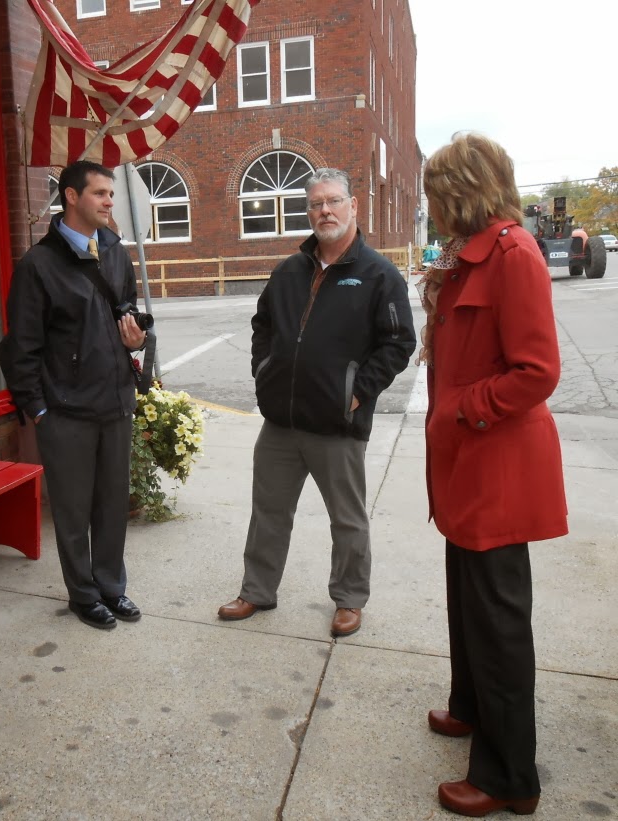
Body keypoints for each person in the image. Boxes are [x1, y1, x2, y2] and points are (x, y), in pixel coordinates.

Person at [419, 133, 567, 817]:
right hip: (468, 462)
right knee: (469, 600)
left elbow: (538, 371)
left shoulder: (514, 254)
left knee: (500, 620)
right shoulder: (468, 255)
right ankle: (471, 706)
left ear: (460, 190)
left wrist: (462, 411)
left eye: (434, 193)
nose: (429, 206)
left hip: (496, 465)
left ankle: (511, 776)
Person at [217, 167, 415, 637]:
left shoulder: (378, 275)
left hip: (337, 425)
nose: (324, 210)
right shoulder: (289, 271)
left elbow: (398, 343)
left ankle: (349, 599)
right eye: (315, 204)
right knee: (268, 511)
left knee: (347, 519)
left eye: (333, 201)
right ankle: (257, 590)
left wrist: (356, 394)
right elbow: (262, 326)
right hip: (281, 422)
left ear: (352, 206)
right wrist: (264, 373)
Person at [0, 160, 146, 631]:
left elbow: (130, 314)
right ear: (71, 197)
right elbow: (20, 348)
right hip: (65, 412)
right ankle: (83, 595)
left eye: (110, 194)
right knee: (72, 511)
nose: (109, 201)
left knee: (111, 503)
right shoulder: (38, 266)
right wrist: (38, 410)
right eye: (100, 193)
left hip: (115, 402)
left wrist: (138, 340)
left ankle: (111, 587)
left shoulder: (115, 252)